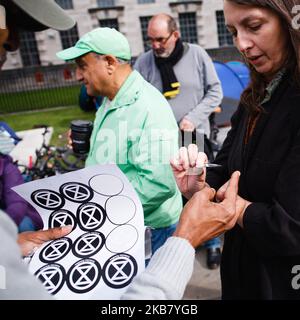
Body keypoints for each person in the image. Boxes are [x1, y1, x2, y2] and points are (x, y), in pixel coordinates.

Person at [171, 0, 300, 299]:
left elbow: (291, 228)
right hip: (241, 277)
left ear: (290, 21)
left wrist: (236, 208)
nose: (241, 44)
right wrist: (198, 183)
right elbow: (227, 166)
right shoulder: (253, 96)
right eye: (232, 31)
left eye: (253, 26)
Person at [56, 27, 183, 257]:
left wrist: (97, 213)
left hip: (148, 230)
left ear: (110, 63)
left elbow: (159, 185)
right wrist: (91, 146)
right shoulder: (110, 99)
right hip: (121, 222)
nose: (77, 75)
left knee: (142, 293)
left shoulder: (149, 107)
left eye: (82, 65)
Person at [134, 13, 223, 269]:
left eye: (160, 39)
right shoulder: (144, 62)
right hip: (161, 140)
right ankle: (186, 240)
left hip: (192, 136)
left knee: (202, 191)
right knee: (175, 192)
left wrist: (193, 118)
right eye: (150, 39)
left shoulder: (196, 54)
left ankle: (213, 242)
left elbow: (215, 90)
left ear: (175, 35)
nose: (155, 45)